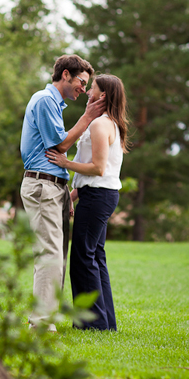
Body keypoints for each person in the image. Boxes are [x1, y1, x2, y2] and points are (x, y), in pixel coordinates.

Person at [19, 54, 106, 330]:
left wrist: (65, 189)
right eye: (82, 82)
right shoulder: (45, 100)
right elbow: (59, 147)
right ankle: (42, 324)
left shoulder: (54, 104)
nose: (84, 88)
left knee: (55, 255)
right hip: (42, 185)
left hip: (52, 186)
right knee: (50, 255)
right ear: (66, 75)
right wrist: (88, 116)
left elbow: (57, 152)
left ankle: (46, 319)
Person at [45, 74, 130, 331]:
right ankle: (104, 323)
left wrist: (65, 163)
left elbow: (98, 168)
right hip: (97, 196)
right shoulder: (104, 123)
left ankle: (92, 324)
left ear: (102, 95)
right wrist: (72, 195)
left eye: (91, 87)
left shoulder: (100, 125)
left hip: (98, 197)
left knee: (83, 258)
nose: (86, 89)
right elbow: (93, 176)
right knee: (95, 257)